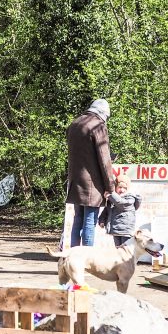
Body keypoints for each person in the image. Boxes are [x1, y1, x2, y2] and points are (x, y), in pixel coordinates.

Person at [66, 98, 114, 248]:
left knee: (77, 219)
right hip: (92, 183)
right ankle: (87, 259)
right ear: (103, 113)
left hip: (75, 180)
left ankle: (72, 257)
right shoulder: (98, 125)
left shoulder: (74, 124)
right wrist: (110, 187)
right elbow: (104, 159)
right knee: (89, 221)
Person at [100, 174, 142, 246]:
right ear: (115, 187)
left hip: (126, 231)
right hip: (116, 230)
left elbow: (121, 203)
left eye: (124, 188)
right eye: (120, 187)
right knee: (118, 250)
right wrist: (102, 220)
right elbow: (107, 210)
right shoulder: (113, 199)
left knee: (126, 250)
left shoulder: (130, 198)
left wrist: (111, 195)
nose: (122, 190)